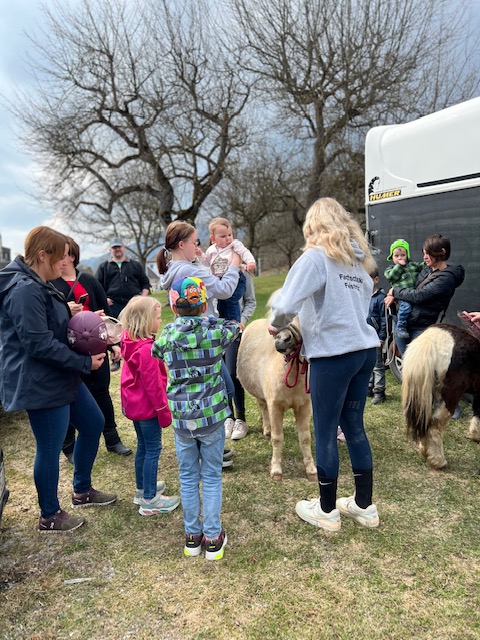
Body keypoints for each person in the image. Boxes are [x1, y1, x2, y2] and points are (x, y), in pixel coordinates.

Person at [268, 197, 380, 532]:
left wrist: (276, 322)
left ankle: (327, 510)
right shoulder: (358, 264)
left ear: (313, 227)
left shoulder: (316, 258)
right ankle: (364, 505)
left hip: (334, 354)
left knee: (326, 429)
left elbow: (286, 304)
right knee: (354, 426)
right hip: (364, 350)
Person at [0, 226, 116, 533]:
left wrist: (78, 317)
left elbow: (49, 323)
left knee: (92, 424)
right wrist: (83, 361)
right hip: (41, 382)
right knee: (50, 447)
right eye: (62, 256)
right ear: (42, 256)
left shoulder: (39, 282)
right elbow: (37, 344)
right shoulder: (23, 289)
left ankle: (82, 490)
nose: (66, 262)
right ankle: (49, 515)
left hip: (62, 376)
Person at [152, 276, 241, 559]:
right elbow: (234, 327)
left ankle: (192, 537)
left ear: (173, 308)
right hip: (212, 416)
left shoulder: (167, 335)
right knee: (211, 476)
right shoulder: (216, 332)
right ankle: (213, 539)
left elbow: (155, 351)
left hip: (182, 419)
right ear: (204, 306)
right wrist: (206, 319)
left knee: (188, 477)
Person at [157, 220, 242, 466]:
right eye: (195, 243)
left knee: (197, 391)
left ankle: (208, 447)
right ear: (182, 244)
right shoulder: (189, 271)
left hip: (187, 338)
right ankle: (210, 448)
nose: (198, 247)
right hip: (203, 339)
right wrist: (234, 265)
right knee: (221, 390)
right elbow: (225, 289)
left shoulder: (176, 269)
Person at [51, 236, 132, 457]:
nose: (62, 258)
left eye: (65, 253)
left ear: (72, 256)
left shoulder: (88, 279)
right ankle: (68, 446)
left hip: (95, 348)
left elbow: (103, 316)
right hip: (67, 351)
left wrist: (112, 344)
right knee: (68, 397)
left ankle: (112, 439)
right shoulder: (49, 284)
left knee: (101, 393)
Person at [119, 296, 180, 516]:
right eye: (156, 317)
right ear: (146, 321)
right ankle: (150, 499)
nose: (159, 321)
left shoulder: (130, 342)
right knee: (153, 449)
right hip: (147, 409)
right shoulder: (147, 351)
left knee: (143, 448)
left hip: (135, 408)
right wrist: (163, 412)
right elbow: (154, 386)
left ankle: (142, 488)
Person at [384, 233, 465, 356]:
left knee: (419, 368)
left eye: (428, 254)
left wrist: (395, 291)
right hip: (405, 324)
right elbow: (406, 283)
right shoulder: (427, 268)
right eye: (424, 253)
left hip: (421, 328)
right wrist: (393, 293)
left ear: (441, 252)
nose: (425, 257)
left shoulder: (446, 278)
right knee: (408, 366)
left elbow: (419, 296)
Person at [96, 238, 150, 371]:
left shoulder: (135, 265)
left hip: (133, 305)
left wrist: (141, 299)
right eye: (114, 247)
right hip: (113, 305)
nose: (117, 249)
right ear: (110, 250)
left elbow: (145, 283)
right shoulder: (104, 267)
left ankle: (138, 358)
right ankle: (116, 359)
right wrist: (104, 299)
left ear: (124, 248)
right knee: (114, 335)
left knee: (136, 331)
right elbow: (97, 287)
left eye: (119, 247)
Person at [199, 217, 256, 322]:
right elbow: (206, 262)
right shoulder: (211, 251)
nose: (228, 238)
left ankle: (235, 322)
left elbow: (244, 252)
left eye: (230, 235)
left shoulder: (234, 245)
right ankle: (222, 321)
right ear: (213, 239)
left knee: (231, 299)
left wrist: (250, 262)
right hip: (220, 279)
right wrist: (200, 255)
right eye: (223, 236)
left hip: (238, 278)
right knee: (221, 300)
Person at [224, 272, 256, 440]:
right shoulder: (209, 266)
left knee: (231, 373)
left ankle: (240, 419)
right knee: (219, 375)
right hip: (213, 328)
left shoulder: (242, 272)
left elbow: (250, 300)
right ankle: (227, 417)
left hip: (234, 330)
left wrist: (241, 320)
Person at [384, 238, 424, 339]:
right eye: (396, 256)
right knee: (406, 307)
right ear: (392, 257)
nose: (400, 258)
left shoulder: (412, 265)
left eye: (402, 255)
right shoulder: (391, 269)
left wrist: (426, 261)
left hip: (413, 294)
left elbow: (421, 266)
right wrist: (399, 266)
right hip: (402, 295)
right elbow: (391, 277)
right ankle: (401, 326)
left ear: (407, 255)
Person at [367, 266, 387, 405]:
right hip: (364, 337)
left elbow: (384, 318)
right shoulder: (361, 296)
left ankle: (379, 391)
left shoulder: (380, 298)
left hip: (375, 338)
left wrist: (381, 336)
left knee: (377, 365)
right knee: (366, 364)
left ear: (376, 280)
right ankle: (368, 387)